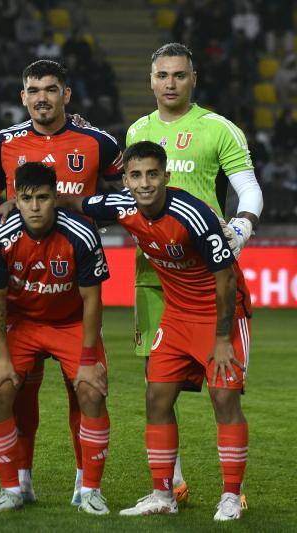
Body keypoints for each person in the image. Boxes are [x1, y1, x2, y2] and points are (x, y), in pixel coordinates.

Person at [65, 141, 251, 521]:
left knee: (223, 399)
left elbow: (227, 278)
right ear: (125, 179)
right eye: (136, 175)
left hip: (221, 316)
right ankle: (163, 495)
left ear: (166, 176)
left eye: (152, 174)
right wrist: (15, 204)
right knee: (156, 398)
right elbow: (75, 202)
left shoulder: (194, 214)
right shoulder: (121, 205)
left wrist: (222, 340)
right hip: (176, 316)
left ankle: (231, 497)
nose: (145, 183)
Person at [0, 58, 122, 505]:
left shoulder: (98, 142)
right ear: (23, 96)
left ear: (66, 95)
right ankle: (20, 484)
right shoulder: (5, 142)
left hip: (74, 291)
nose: (42, 98)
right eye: (33, 90)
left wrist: (86, 207)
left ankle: (85, 486)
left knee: (85, 390)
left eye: (51, 89)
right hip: (23, 300)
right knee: (14, 393)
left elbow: (127, 193)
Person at [126, 42, 262, 502]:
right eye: (162, 75)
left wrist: (241, 227)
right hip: (153, 273)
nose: (170, 83)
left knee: (223, 389)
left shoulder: (218, 128)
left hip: (204, 274)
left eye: (179, 75)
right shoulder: (138, 130)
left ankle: (233, 491)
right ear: (151, 80)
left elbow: (249, 189)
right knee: (157, 384)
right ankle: (172, 485)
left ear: (193, 79)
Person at [0, 162, 111, 514]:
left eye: (42, 197)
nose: (35, 206)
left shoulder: (81, 233)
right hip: (22, 324)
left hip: (71, 322)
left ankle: (91, 491)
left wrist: (88, 360)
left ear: (55, 197)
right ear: (15, 200)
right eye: (26, 199)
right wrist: (2, 358)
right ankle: (12, 490)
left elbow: (92, 299)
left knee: (91, 390)